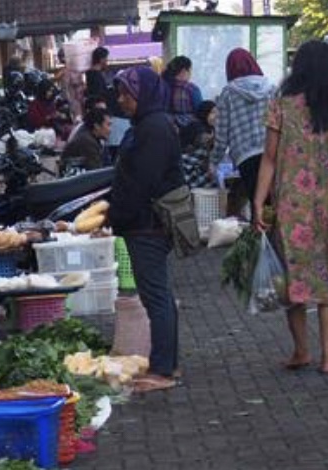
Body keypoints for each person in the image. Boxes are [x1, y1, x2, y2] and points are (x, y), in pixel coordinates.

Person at [252, 41, 328, 375]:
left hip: (292, 208)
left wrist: (259, 201)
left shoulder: (281, 105)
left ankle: (301, 351)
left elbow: (269, 159)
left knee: (294, 280)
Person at [108, 66, 185, 393]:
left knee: (155, 297)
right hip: (141, 223)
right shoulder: (148, 125)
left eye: (128, 93)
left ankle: (163, 370)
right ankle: (169, 362)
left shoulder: (153, 128)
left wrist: (117, 213)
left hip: (147, 225)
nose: (122, 100)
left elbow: (143, 181)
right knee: (159, 295)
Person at [211, 48, 276, 197]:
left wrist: (214, 161)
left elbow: (222, 133)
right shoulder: (272, 89)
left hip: (245, 156)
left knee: (255, 199)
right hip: (272, 152)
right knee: (273, 201)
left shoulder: (228, 93)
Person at [180, 101, 217, 188]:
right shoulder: (195, 126)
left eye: (217, 112)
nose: (216, 116)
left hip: (199, 167)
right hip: (188, 169)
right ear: (204, 113)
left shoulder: (210, 128)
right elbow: (202, 140)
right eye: (212, 112)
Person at [163, 56, 203, 132]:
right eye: (190, 71)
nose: (191, 74)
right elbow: (201, 112)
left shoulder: (163, 86)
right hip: (190, 131)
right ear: (184, 71)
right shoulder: (191, 89)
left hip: (168, 129)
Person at [84, 47, 115, 113]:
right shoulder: (96, 75)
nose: (107, 61)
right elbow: (98, 93)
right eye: (106, 58)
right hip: (100, 108)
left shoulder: (90, 73)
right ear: (102, 59)